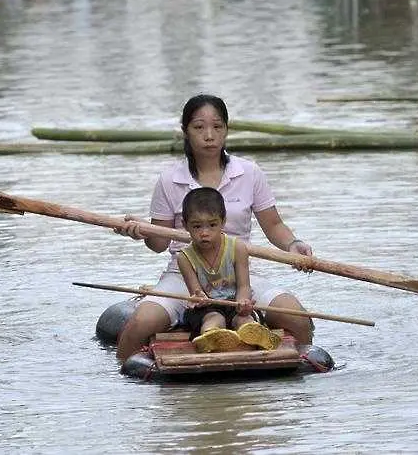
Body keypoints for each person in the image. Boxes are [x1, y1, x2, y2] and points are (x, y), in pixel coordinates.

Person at [115, 94, 314, 362]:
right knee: (139, 325)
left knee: (298, 319)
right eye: (199, 127)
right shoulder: (169, 179)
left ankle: (300, 369)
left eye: (217, 127)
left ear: (226, 130)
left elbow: (274, 225)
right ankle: (126, 378)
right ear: (185, 131)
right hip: (184, 277)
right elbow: (159, 244)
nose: (209, 135)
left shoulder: (249, 172)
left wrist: (294, 245)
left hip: (241, 275)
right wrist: (141, 234)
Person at [179, 187, 282, 353]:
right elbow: (196, 292)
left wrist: (243, 302)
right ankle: (212, 336)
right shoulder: (184, 257)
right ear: (185, 225)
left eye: (212, 225)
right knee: (214, 318)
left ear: (223, 222)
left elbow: (243, 286)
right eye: (197, 226)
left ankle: (256, 334)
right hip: (207, 307)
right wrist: (199, 298)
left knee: (245, 318)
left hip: (235, 303)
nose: (205, 233)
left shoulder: (237, 248)